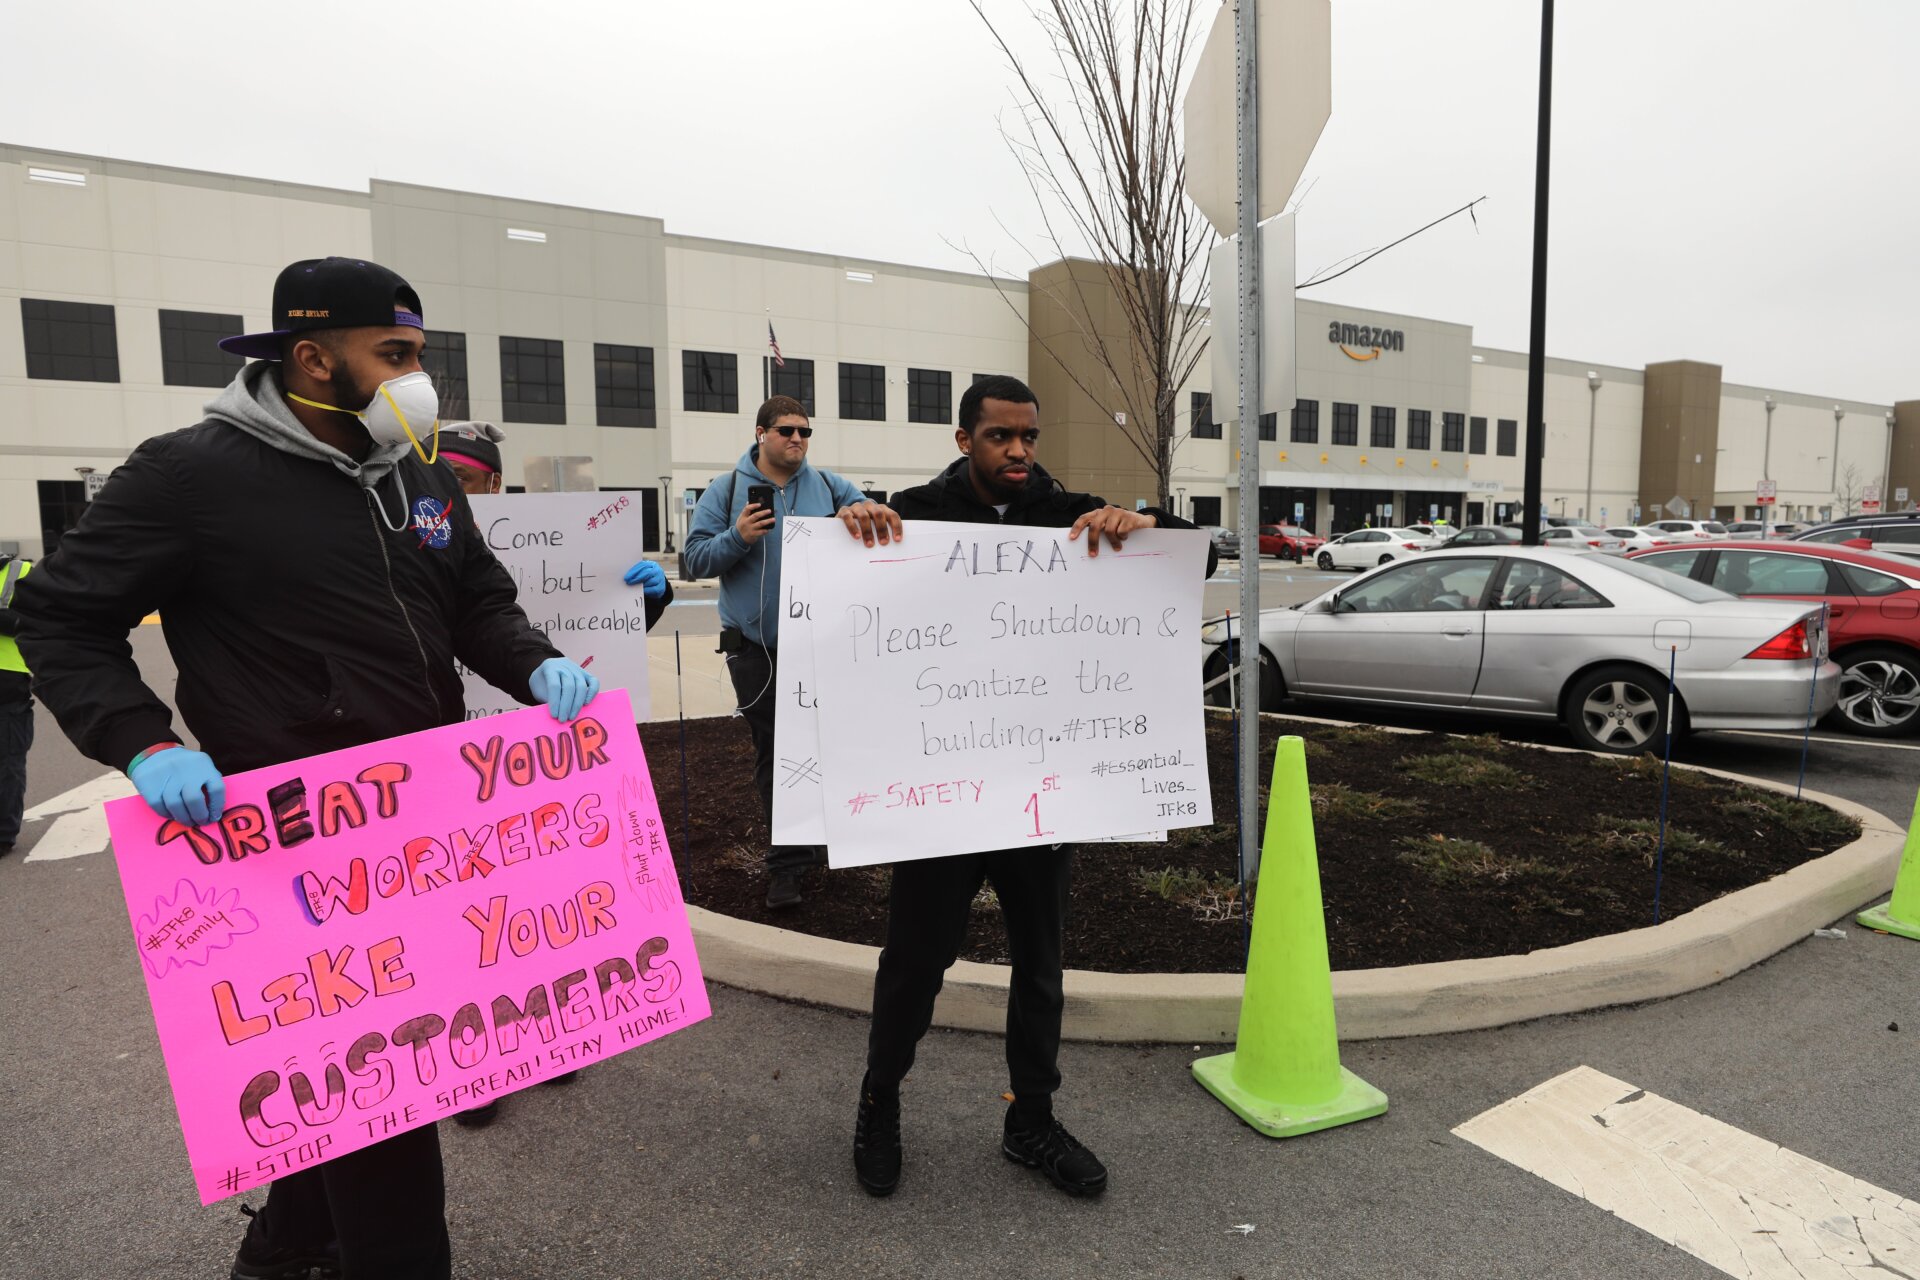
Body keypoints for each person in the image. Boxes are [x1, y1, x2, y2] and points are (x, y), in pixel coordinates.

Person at [11, 256, 599, 1280]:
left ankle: (283, 1248)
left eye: (422, 355)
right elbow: (59, 613)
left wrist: (534, 656)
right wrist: (142, 740)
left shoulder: (415, 470)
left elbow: (476, 601)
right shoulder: (192, 474)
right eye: (398, 356)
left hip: (422, 827)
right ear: (314, 358)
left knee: (344, 1088)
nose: (422, 382)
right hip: (295, 842)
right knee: (392, 1093)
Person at [852, 374, 1212, 1201]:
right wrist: (851, 526)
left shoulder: (1070, 513)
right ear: (963, 439)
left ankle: (1032, 1119)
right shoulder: (914, 512)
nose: (1019, 452)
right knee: (915, 962)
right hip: (940, 793)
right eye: (999, 437)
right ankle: (880, 1097)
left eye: (1029, 437)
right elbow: (841, 578)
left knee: (1041, 965)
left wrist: (1146, 522)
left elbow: (1203, 549)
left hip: (1042, 791)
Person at [433, 420, 673, 1129]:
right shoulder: (414, 544)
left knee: (538, 907)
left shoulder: (543, 539)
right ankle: (476, 1065)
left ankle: (545, 1035)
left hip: (536, 766)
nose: (454, 493)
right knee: (466, 917)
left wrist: (643, 600)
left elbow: (593, 639)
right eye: (442, 478)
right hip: (451, 762)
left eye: (467, 481)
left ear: (495, 484)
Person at [682, 394, 899, 909]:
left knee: (827, 746)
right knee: (778, 751)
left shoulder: (827, 486)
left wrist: (865, 509)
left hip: (822, 647)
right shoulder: (726, 489)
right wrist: (737, 537)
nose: (797, 439)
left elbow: (875, 519)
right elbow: (693, 560)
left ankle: (822, 845)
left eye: (804, 431)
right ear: (761, 434)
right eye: (786, 431)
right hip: (754, 650)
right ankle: (787, 867)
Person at [0, 554, 31, 856]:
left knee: (7, 761)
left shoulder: (19, 571)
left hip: (7, 683)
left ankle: (3, 834)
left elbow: (35, 621)